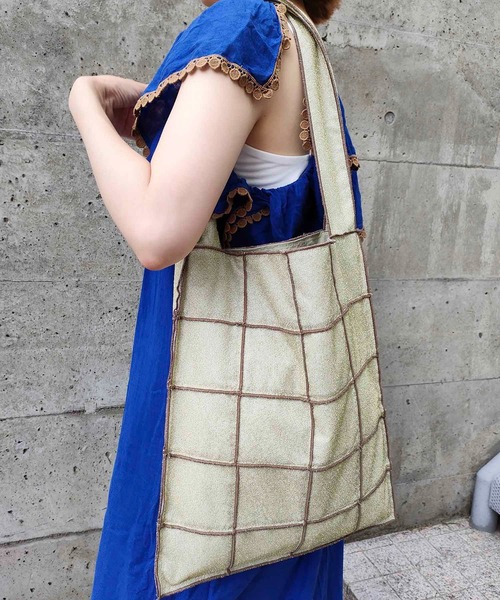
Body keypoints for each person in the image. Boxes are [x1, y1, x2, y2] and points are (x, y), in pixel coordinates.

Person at [68, 0, 363, 597]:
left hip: (209, 428)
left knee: (180, 567)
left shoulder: (246, 24)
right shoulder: (299, 45)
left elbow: (157, 231)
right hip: (288, 433)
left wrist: (85, 101)